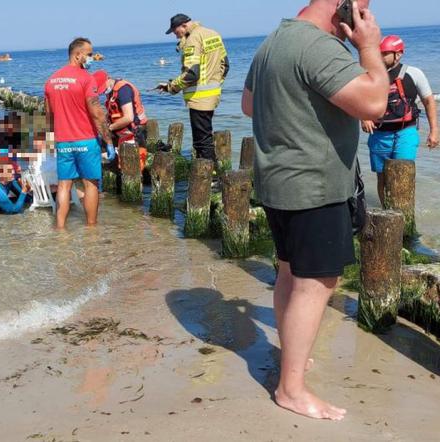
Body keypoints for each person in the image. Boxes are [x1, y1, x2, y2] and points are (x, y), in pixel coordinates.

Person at [241, 0, 388, 420]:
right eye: (361, 6)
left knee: (291, 273)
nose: (365, 15)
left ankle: (291, 364)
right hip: (314, 185)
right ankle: (291, 390)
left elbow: (250, 105)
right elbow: (375, 104)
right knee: (317, 283)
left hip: (278, 180)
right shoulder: (317, 46)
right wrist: (369, 47)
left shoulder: (274, 41)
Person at [44, 37, 115, 229]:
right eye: (89, 54)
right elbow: (97, 113)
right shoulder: (86, 78)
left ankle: (60, 228)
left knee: (64, 185)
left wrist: (53, 140)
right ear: (78, 55)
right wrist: (108, 142)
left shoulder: (51, 80)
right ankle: (91, 228)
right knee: (90, 184)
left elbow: (48, 116)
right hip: (86, 140)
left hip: (63, 142)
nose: (92, 57)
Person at [362, 35, 438, 205]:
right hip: (379, 134)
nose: (380, 57)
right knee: (382, 178)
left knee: (402, 175)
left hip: (406, 132)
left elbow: (428, 101)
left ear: (398, 54)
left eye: (384, 54)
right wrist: (364, 117)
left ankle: (404, 217)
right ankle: (387, 214)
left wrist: (434, 130)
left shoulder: (414, 73)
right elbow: (359, 99)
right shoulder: (371, 75)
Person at [156, 14, 229, 160]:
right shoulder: (213, 34)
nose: (177, 37)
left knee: (201, 142)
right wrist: (215, 84)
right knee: (206, 137)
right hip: (213, 95)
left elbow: (191, 74)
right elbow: (225, 65)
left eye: (176, 33)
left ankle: (211, 177)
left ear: (184, 25)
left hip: (199, 98)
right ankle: (213, 174)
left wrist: (171, 87)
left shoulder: (192, 39)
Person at [93, 70, 149, 171]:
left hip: (135, 130)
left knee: (133, 168)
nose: (103, 91)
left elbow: (128, 117)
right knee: (103, 144)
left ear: (108, 79)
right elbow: (113, 111)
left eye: (103, 88)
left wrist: (109, 128)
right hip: (121, 129)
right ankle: (111, 170)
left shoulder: (123, 90)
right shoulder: (111, 92)